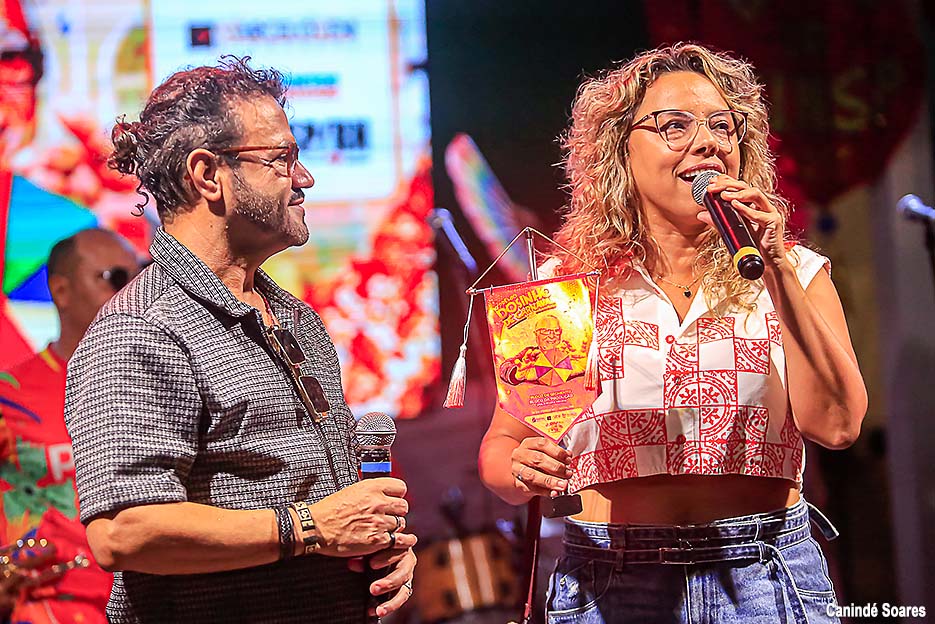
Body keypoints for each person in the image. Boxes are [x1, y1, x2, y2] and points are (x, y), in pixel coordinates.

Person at [478, 43, 867, 623]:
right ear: (619, 151)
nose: (707, 141)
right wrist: (518, 472)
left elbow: (837, 426)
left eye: (721, 125)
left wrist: (778, 263)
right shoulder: (565, 285)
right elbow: (501, 448)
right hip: (610, 577)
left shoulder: (793, 272)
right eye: (674, 126)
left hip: (763, 570)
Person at [63, 57, 416, 623]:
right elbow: (123, 532)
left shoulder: (297, 318)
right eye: (282, 159)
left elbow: (328, 507)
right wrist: (311, 528)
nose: (305, 179)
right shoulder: (141, 329)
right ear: (208, 176)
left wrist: (375, 546)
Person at [0, 228, 138, 623]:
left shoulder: (167, 387)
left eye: (141, 275)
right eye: (115, 278)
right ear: (60, 291)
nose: (132, 291)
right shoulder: (9, 395)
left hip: (154, 604)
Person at [498, 314, 587, 386]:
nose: (552, 336)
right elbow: (504, 367)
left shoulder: (569, 353)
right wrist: (516, 374)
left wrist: (589, 365)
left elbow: (583, 369)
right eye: (545, 331)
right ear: (536, 334)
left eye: (556, 331)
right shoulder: (529, 355)